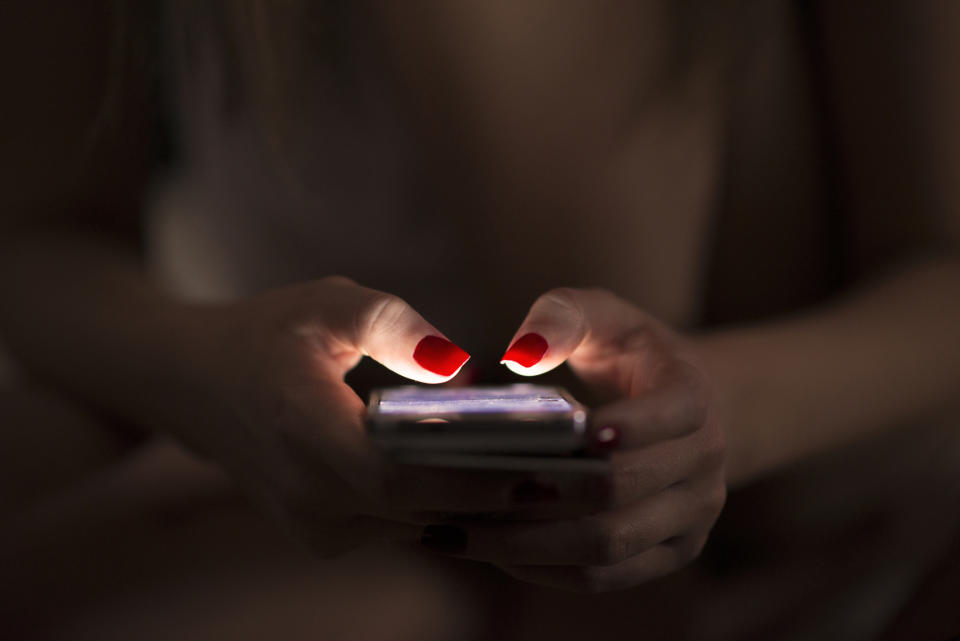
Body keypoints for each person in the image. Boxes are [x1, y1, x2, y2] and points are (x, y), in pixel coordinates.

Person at [1, 1, 959, 638]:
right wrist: (205, 369)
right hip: (346, 479)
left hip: (790, 490)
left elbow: (939, 276)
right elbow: (43, 239)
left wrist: (702, 421)